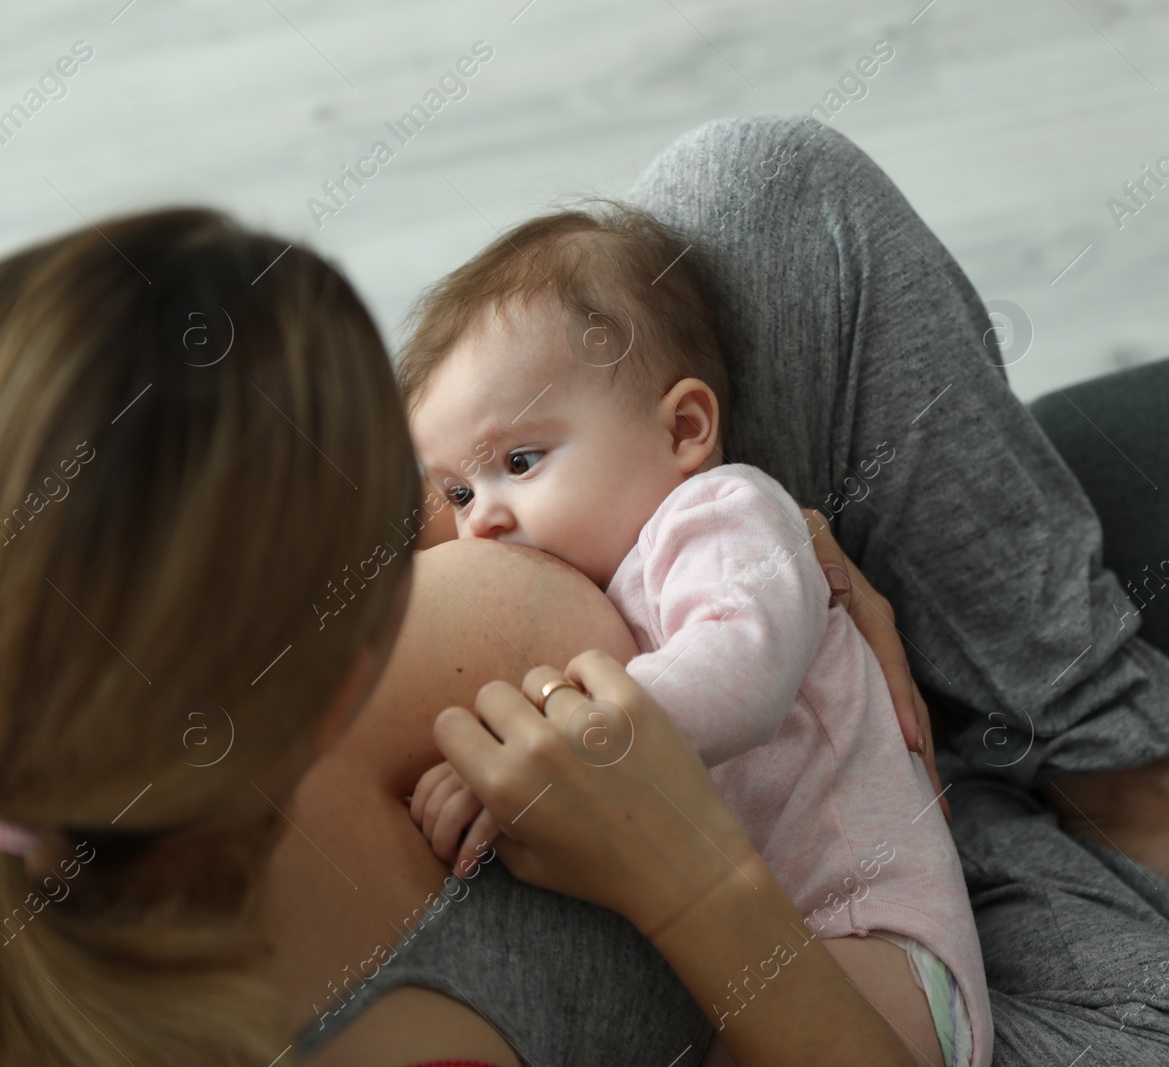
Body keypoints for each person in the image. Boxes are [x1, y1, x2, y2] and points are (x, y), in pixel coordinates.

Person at [0, 207, 921, 1067]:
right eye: (442, 503)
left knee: (763, 185)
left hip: (871, 834)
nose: (467, 525)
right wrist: (695, 888)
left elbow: (561, 356)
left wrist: (724, 528)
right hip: (906, 970)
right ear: (333, 684)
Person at [397, 203, 989, 1067]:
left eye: (519, 462)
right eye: (456, 494)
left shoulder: (721, 514)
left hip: (869, 942)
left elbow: (740, 669)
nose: (482, 518)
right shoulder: (608, 572)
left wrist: (551, 750)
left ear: (684, 430)